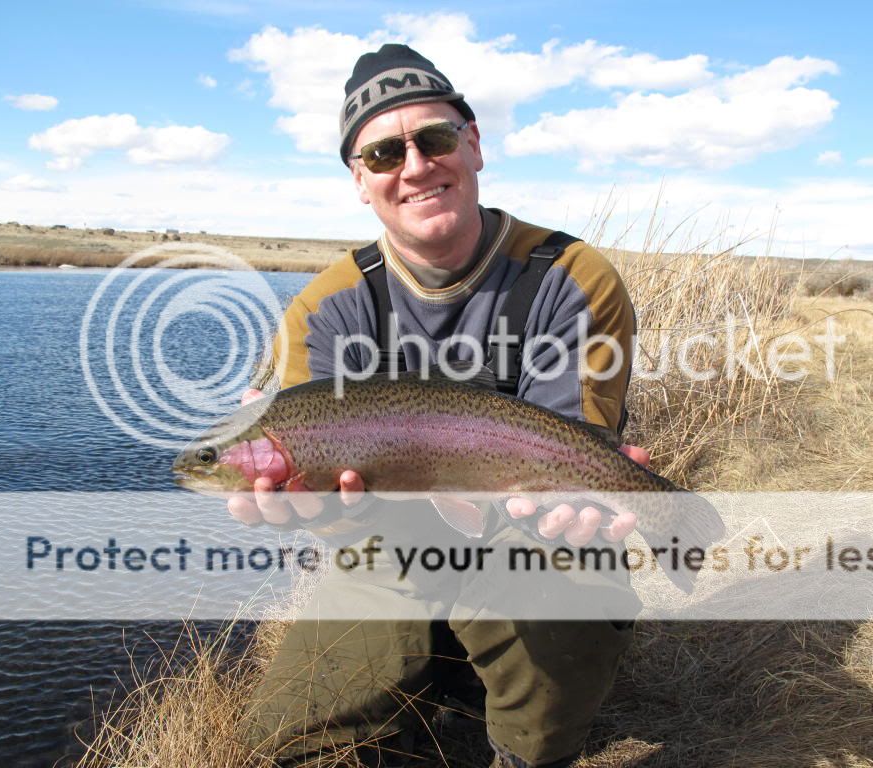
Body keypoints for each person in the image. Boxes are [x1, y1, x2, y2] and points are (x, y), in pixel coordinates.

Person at [231, 44, 651, 767]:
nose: (416, 166)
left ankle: (524, 741)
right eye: (386, 154)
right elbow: (334, 510)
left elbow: (571, 444)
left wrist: (593, 494)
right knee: (291, 745)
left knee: (546, 575)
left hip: (530, 537)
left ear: (474, 144)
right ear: (360, 181)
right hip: (387, 545)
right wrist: (312, 505)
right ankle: (431, 670)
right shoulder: (325, 307)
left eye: (433, 139)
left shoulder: (570, 276)